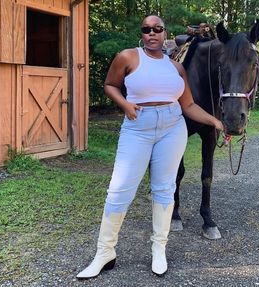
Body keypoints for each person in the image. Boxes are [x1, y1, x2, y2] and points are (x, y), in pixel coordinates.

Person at [76, 15, 224, 280]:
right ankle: (104, 253)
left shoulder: (176, 69)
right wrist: (124, 104)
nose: (152, 33)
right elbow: (110, 85)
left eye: (157, 29)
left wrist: (215, 121)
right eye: (147, 29)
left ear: (164, 32)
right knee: (119, 188)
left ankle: (159, 249)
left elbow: (188, 105)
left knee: (164, 189)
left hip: (172, 126)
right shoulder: (128, 57)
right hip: (138, 126)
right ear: (142, 34)